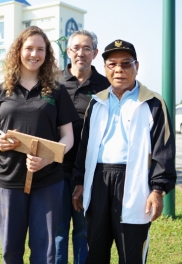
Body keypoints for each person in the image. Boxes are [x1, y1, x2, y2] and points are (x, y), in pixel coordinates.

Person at [0, 26, 79, 264]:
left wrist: (48, 158)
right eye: (29, 48)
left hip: (48, 181)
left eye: (40, 49)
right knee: (11, 251)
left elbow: (68, 137)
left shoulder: (56, 91)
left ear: (47, 54)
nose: (34, 54)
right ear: (18, 52)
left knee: (43, 250)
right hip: (8, 180)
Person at [72, 39, 177, 263]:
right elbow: (85, 146)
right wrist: (80, 181)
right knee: (96, 250)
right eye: (112, 64)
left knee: (131, 254)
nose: (119, 69)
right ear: (105, 69)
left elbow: (164, 150)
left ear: (136, 67)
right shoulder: (96, 102)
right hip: (98, 180)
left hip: (134, 182)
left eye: (126, 63)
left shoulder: (153, 103)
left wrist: (158, 190)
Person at [55, 30, 110, 264]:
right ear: (68, 52)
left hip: (89, 174)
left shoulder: (106, 86)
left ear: (95, 53)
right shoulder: (53, 83)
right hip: (54, 170)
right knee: (56, 233)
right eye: (76, 48)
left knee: (83, 231)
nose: (81, 53)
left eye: (87, 48)